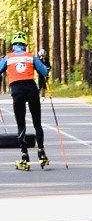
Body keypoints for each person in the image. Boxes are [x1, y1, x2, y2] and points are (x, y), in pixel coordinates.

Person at [0, 31, 50, 170]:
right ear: (25, 45)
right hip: (31, 89)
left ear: (13, 45)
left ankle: (24, 157)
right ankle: (41, 152)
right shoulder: (30, 57)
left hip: (17, 91)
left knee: (21, 124)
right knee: (37, 123)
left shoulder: (8, 58)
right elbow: (44, 71)